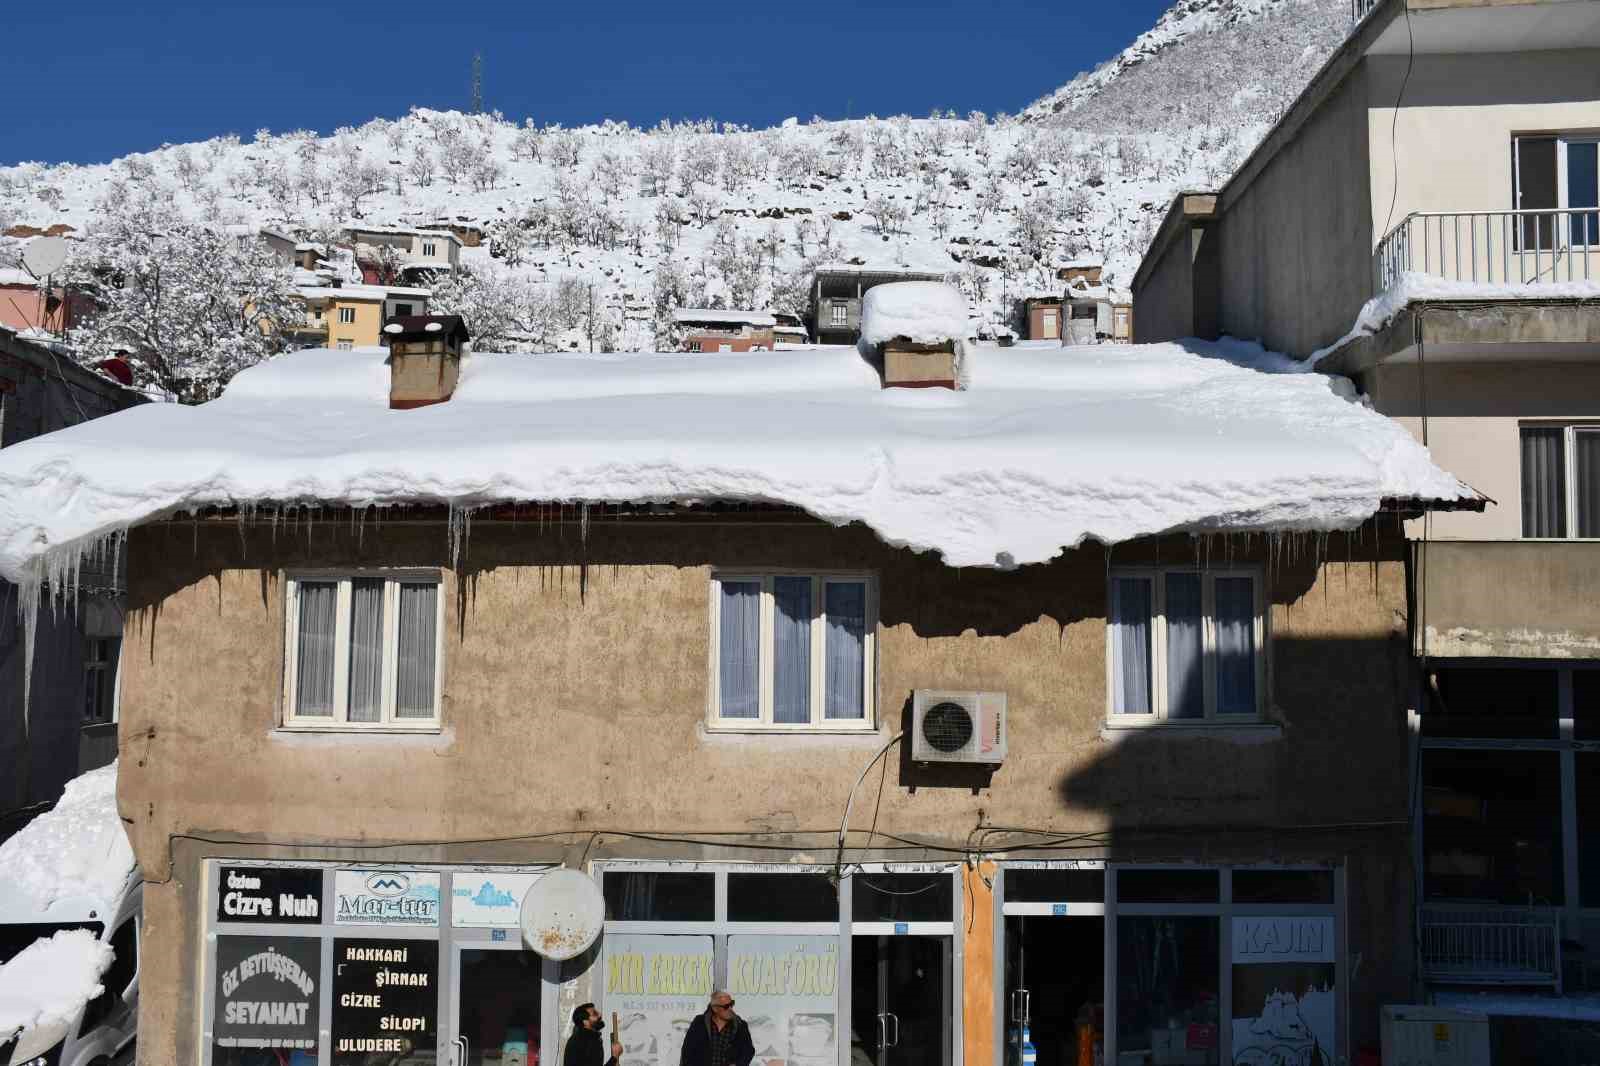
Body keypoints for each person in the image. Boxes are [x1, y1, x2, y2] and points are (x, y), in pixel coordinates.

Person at [678, 992, 755, 1066]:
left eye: (731, 1004)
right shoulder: (699, 1023)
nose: (730, 1008)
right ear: (715, 1008)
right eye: (726, 1006)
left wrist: (737, 1064)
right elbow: (687, 1051)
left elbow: (749, 1051)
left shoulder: (741, 1025)